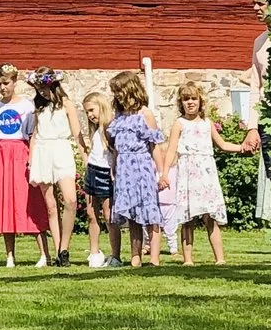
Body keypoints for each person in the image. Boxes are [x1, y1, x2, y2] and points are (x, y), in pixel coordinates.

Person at [168, 80, 254, 267]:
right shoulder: (179, 124)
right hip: (187, 173)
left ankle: (220, 258)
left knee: (210, 217)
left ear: (200, 101)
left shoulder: (208, 123)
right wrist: (165, 173)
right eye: (186, 99)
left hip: (206, 173)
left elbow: (222, 145)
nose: (190, 102)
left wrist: (242, 148)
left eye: (193, 98)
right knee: (188, 218)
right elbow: (171, 150)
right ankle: (188, 259)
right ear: (181, 103)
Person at [0, 65, 47, 268]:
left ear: (14, 81)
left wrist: (32, 159)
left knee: (30, 201)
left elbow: (32, 135)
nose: (2, 88)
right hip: (1, 157)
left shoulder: (26, 106)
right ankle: (10, 255)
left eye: (6, 83)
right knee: (5, 203)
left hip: (21, 154)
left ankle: (44, 253)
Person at [104, 70, 166, 267]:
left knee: (149, 212)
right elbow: (115, 147)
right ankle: (135, 255)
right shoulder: (120, 117)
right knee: (132, 214)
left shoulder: (145, 114)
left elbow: (154, 146)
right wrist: (114, 165)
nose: (117, 96)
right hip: (124, 168)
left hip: (142, 166)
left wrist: (162, 172)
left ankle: (154, 257)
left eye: (119, 91)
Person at [26, 70, 84, 268]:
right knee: (51, 206)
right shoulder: (38, 107)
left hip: (61, 149)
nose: (42, 92)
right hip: (43, 150)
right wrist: (31, 159)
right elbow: (34, 134)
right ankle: (58, 249)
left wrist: (84, 156)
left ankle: (65, 247)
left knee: (70, 199)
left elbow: (77, 133)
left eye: (44, 88)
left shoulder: (66, 105)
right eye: (38, 89)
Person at [80, 90, 116, 268]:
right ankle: (94, 252)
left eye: (92, 110)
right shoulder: (95, 131)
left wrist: (114, 171)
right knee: (91, 213)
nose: (90, 115)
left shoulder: (110, 129)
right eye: (87, 112)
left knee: (109, 215)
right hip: (92, 171)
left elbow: (114, 152)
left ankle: (115, 253)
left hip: (106, 173)